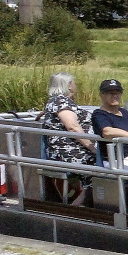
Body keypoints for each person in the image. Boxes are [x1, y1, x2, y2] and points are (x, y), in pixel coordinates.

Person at [41, 72, 95, 203]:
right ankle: (79, 206)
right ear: (69, 85)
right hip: (68, 151)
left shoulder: (57, 101)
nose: (75, 85)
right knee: (100, 164)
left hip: (71, 148)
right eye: (74, 82)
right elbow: (73, 127)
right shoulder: (61, 101)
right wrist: (91, 146)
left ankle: (83, 201)